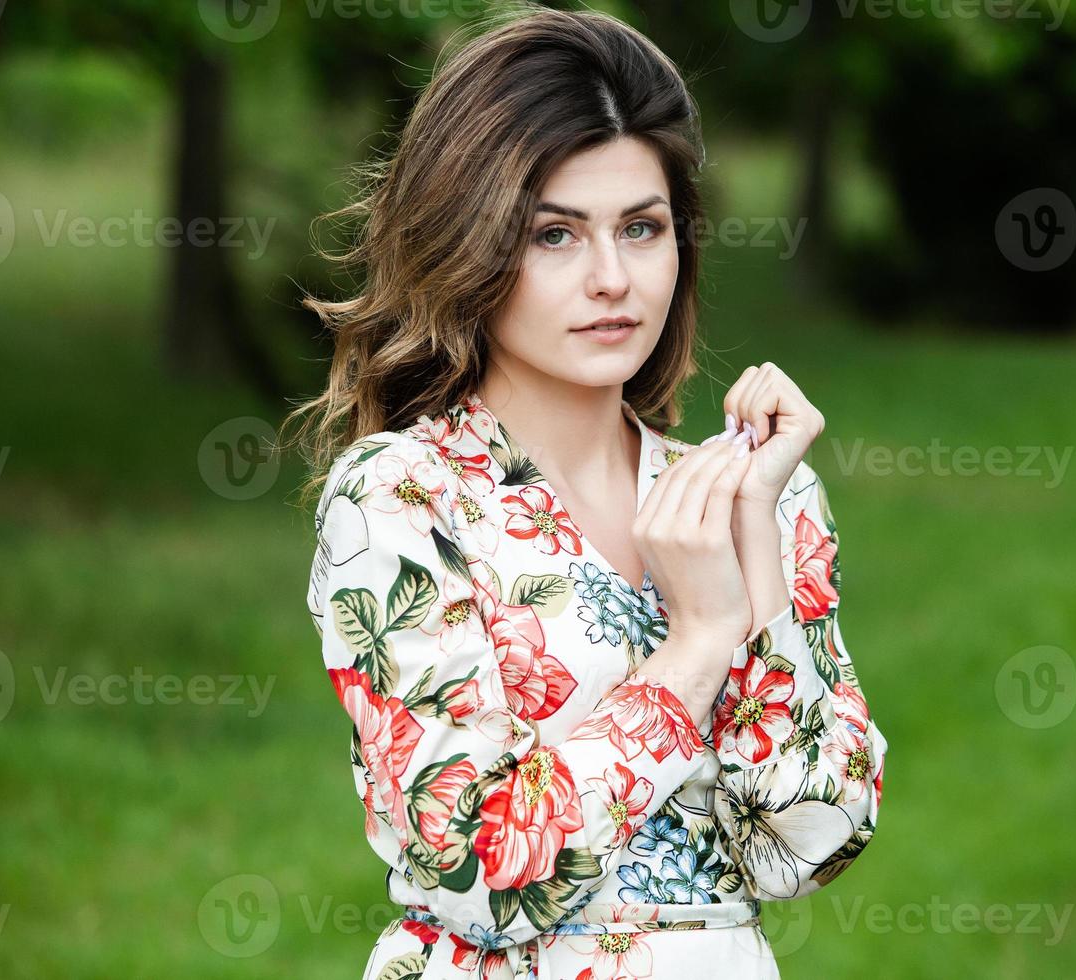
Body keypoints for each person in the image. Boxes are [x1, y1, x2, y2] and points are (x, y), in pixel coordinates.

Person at [286, 6, 887, 978]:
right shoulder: (403, 497)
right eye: (555, 235)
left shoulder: (752, 496)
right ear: (470, 243)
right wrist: (694, 643)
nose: (614, 278)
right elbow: (480, 871)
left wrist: (755, 571)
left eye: (641, 228)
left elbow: (811, 840)